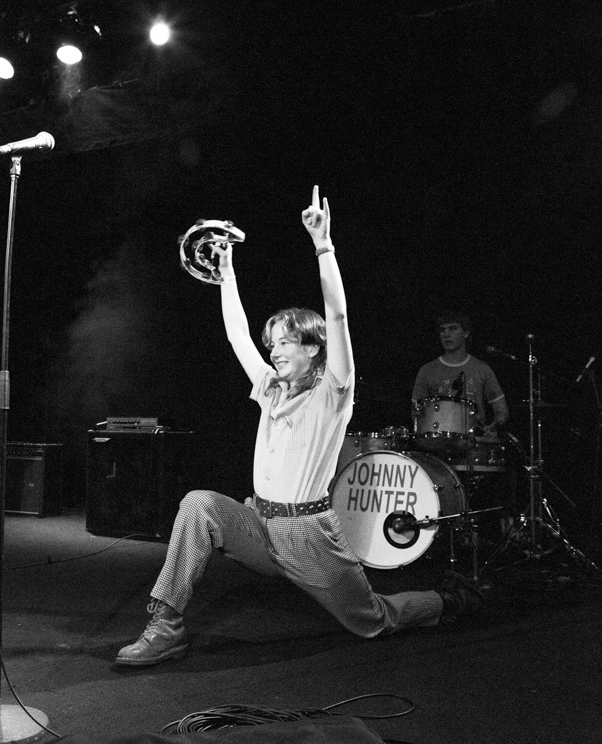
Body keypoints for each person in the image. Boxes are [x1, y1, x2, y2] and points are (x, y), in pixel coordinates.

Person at [116, 186, 483, 667]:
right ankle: (166, 626)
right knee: (198, 505)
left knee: (372, 620)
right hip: (259, 526)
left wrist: (323, 246)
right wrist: (227, 276)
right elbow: (237, 336)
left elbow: (339, 317)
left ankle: (446, 600)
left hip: (310, 536)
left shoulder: (333, 392)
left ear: (312, 348)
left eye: (285, 342)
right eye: (273, 345)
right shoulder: (270, 388)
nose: (274, 352)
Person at [411, 313, 509, 440]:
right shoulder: (427, 370)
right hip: (437, 442)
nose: (446, 334)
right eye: (442, 330)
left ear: (466, 333)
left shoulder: (482, 369)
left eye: (452, 328)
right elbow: (416, 411)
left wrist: (494, 427)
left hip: (474, 441)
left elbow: (501, 410)